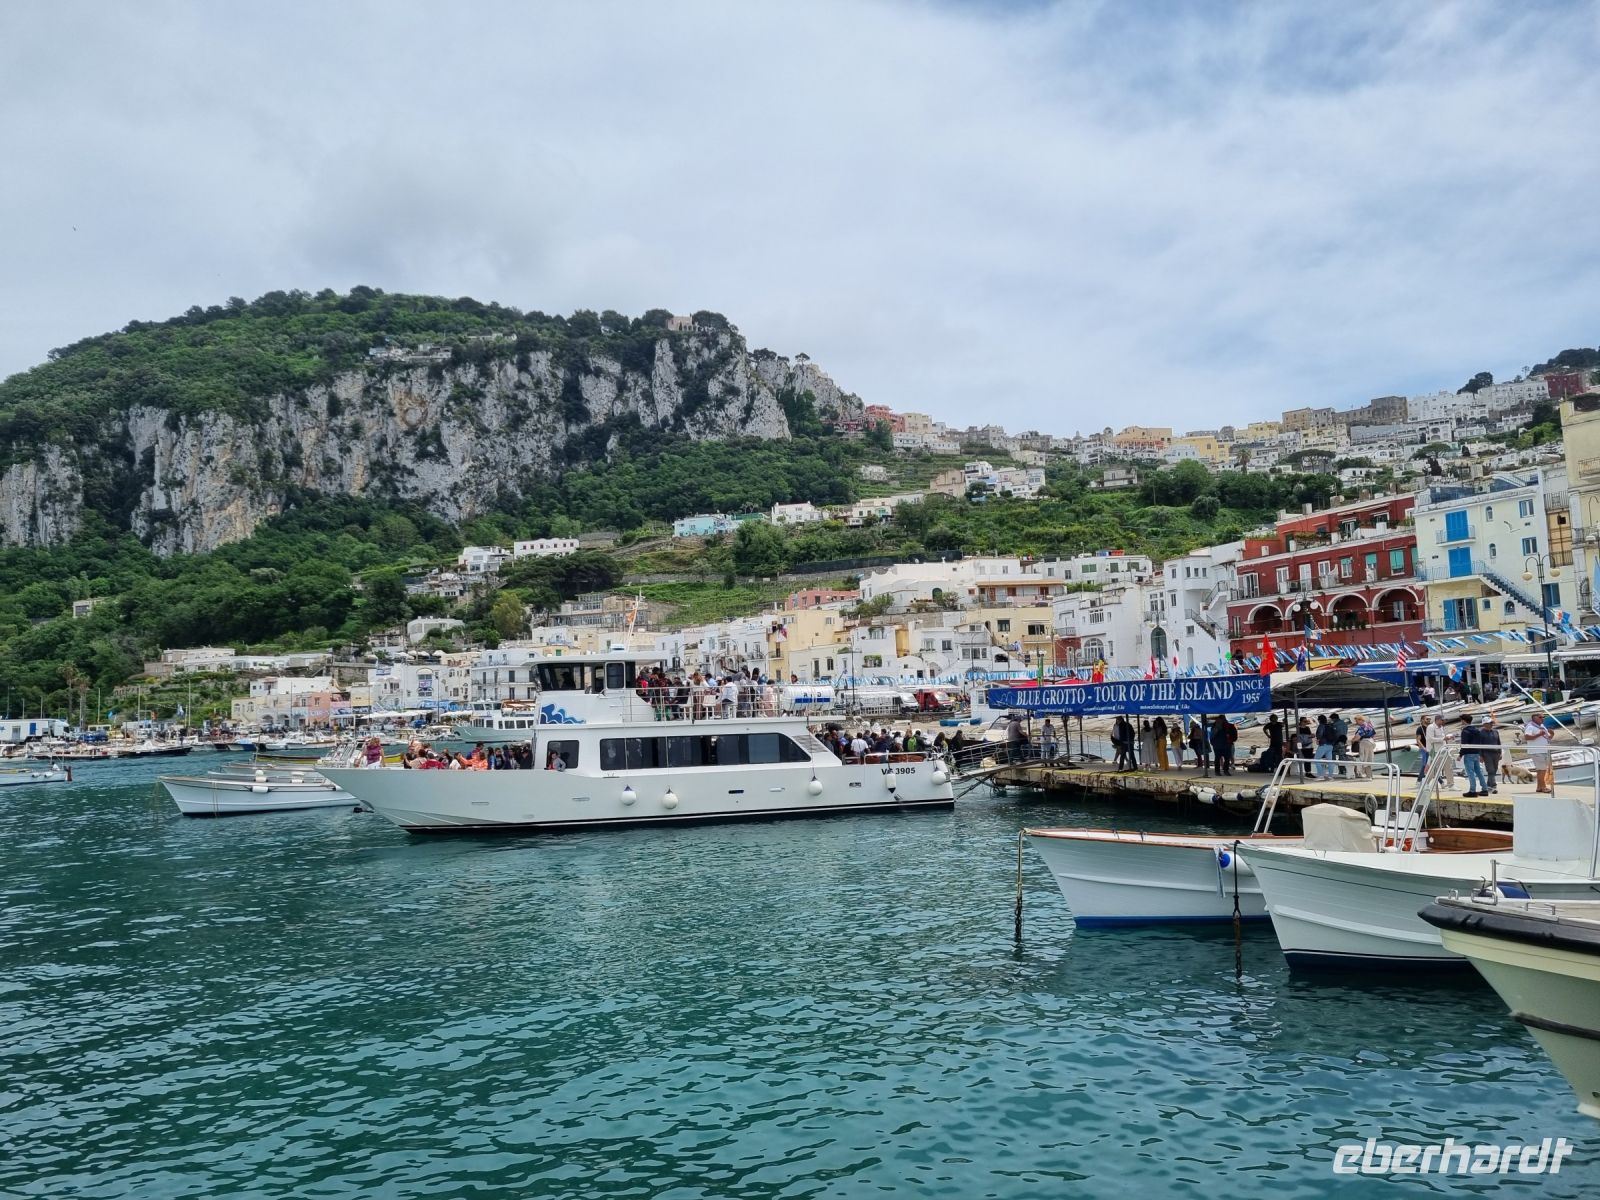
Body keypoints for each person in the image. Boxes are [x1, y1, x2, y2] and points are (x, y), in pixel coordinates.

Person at [1522, 713, 1554, 793]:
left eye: (1543, 717)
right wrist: (1538, 734)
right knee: (1542, 770)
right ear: (1534, 718)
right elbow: (1527, 737)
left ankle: (1539, 787)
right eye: (1540, 717)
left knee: (1541, 770)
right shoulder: (1530, 727)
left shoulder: (1542, 726)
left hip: (1544, 750)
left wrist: (1552, 734)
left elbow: (1547, 737)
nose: (1542, 718)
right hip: (1536, 751)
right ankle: (1543, 787)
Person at [1459, 716, 1488, 798]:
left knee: (1470, 772)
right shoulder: (1476, 730)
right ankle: (1485, 789)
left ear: (1464, 721)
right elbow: (1480, 742)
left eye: (1461, 720)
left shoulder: (1465, 731)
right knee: (1479, 771)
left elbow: (1464, 744)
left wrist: (1460, 754)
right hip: (1476, 753)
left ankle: (1472, 790)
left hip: (1469, 753)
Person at [1354, 715, 1376, 780]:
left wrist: (1352, 741)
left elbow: (1358, 737)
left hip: (1364, 742)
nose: (1356, 722)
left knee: (1364, 759)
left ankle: (1368, 776)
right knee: (1369, 758)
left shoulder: (1362, 727)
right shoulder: (1369, 725)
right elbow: (1374, 734)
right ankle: (1370, 775)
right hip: (1371, 742)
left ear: (1360, 720)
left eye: (1357, 720)